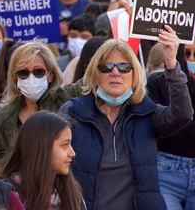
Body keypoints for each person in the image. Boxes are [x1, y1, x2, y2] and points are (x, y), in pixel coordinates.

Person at [60, 30, 193, 210]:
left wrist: (171, 63)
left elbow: (183, 114)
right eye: (106, 66)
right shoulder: (73, 112)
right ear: (95, 74)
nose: (115, 72)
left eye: (124, 67)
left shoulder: (146, 113)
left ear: (134, 76)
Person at [0, 42, 82, 164]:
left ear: (50, 75)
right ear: (15, 78)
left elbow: (93, 79)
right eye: (23, 73)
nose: (31, 78)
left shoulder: (66, 101)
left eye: (38, 72)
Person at [2, 111, 85, 210]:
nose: (72, 153)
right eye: (65, 145)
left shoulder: (70, 191)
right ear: (42, 148)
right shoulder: (7, 194)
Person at [147, 42, 195, 210]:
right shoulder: (156, 81)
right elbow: (160, 124)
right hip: (166, 168)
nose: (191, 59)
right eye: (187, 54)